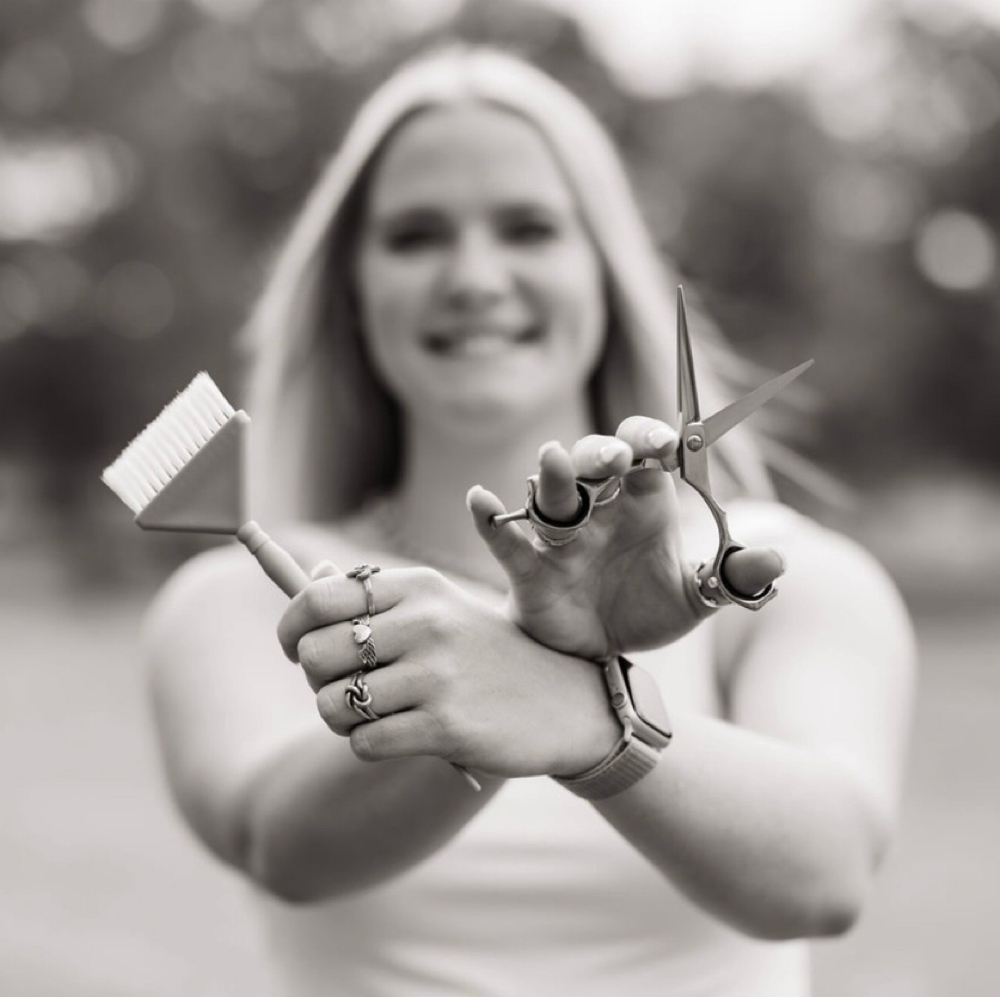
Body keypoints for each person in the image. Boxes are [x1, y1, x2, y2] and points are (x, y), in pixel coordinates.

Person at [144, 45, 915, 997]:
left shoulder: (775, 571)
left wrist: (583, 716)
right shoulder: (230, 598)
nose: (473, 276)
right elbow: (282, 846)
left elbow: (824, 874)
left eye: (529, 228)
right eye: (416, 235)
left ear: (604, 270)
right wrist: (517, 670)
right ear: (351, 289)